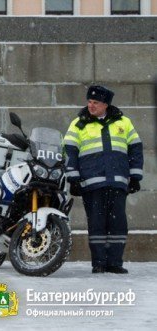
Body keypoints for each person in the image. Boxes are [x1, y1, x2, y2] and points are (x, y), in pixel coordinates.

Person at [63, 85, 142, 274]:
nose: (91, 106)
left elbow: (136, 149)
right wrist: (73, 178)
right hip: (92, 183)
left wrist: (135, 176)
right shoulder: (78, 124)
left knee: (118, 224)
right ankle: (98, 263)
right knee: (97, 225)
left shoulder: (124, 122)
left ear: (106, 104)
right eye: (89, 102)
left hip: (117, 182)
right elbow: (69, 151)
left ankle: (115, 262)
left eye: (95, 102)